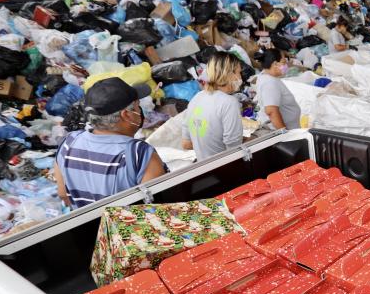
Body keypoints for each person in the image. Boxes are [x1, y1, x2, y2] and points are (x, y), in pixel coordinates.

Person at [54, 78, 167, 209]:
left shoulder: (68, 142)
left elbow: (63, 194)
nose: (140, 111)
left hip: (93, 228)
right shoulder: (138, 154)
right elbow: (159, 209)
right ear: (127, 115)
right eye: (137, 106)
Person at [182, 51, 245, 161]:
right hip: (226, 166)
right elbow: (233, 146)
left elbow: (186, 144)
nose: (240, 77)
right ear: (229, 74)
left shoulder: (196, 98)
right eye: (239, 73)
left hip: (205, 167)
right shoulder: (229, 102)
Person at [255, 49, 301, 131]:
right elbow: (271, 111)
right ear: (275, 64)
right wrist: (284, 133)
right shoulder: (269, 82)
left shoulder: (265, 76)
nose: (286, 65)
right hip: (285, 133)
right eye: (283, 62)